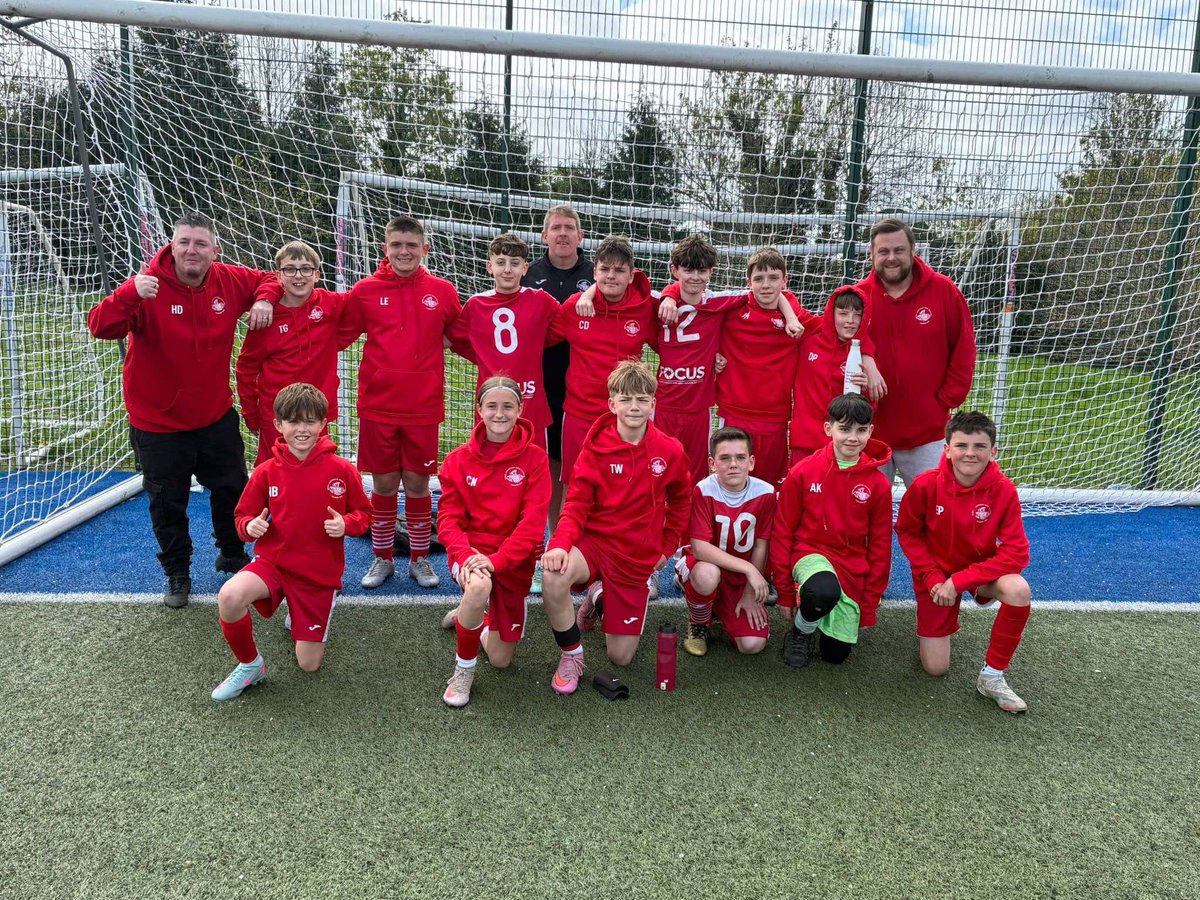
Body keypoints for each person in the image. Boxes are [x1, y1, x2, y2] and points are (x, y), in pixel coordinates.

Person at [87, 211, 276, 608]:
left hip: (213, 415)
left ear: (214, 250)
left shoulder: (228, 279)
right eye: (184, 242)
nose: (192, 250)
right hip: (157, 423)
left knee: (231, 488)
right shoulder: (146, 286)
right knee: (167, 500)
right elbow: (100, 327)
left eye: (201, 244)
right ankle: (178, 570)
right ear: (172, 246)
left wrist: (263, 299)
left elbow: (268, 278)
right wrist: (129, 293)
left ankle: (231, 551)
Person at [211, 383, 371, 701]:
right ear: (279, 426)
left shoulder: (341, 469)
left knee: (308, 665)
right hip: (273, 564)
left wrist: (346, 524)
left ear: (323, 424)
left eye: (310, 421)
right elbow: (242, 520)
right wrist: (250, 527)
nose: (302, 429)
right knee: (229, 596)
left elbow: (365, 515)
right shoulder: (266, 472)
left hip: (316, 573)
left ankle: (303, 609)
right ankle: (250, 666)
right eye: (294, 422)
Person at [540, 360, 691, 690]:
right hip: (596, 544)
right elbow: (576, 507)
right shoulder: (594, 449)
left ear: (653, 403)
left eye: (641, 399)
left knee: (620, 658)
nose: (633, 406)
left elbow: (681, 502)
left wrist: (666, 547)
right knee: (553, 575)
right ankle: (571, 655)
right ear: (612, 404)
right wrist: (561, 545)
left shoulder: (670, 451)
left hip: (636, 557)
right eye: (625, 399)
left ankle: (598, 596)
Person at [338, 215, 461, 591]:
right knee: (386, 483)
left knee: (419, 484)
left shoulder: (442, 291)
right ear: (385, 249)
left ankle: (420, 559)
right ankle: (383, 558)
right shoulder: (365, 290)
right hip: (378, 406)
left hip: (423, 407)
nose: (404, 252)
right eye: (397, 245)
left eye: (412, 245)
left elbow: (461, 334)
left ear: (425, 249)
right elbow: (335, 332)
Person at [894, 410, 1032, 713]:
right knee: (935, 668)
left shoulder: (1004, 489)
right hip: (935, 577)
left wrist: (959, 582)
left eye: (979, 446)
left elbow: (1018, 552)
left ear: (993, 452)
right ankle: (933, 626)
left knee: (1018, 589)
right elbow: (907, 532)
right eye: (961, 446)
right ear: (946, 449)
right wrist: (933, 578)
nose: (970, 453)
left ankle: (993, 677)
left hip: (978, 571)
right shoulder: (925, 485)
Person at [435, 376, 552, 707]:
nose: (499, 414)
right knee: (478, 588)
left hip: (511, 559)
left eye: (507, 406)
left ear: (520, 409)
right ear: (479, 411)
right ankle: (463, 671)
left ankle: (468, 617)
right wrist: (466, 555)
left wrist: (498, 560)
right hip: (470, 554)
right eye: (492, 406)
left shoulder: (535, 459)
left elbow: (532, 525)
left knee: (501, 660)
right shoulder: (457, 460)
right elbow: (448, 521)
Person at [653, 235, 801, 486]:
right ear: (674, 271)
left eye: (702, 271)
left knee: (697, 478)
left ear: (711, 272)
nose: (695, 277)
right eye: (688, 270)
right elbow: (630, 283)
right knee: (657, 473)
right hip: (663, 406)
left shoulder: (721, 302)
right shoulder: (657, 305)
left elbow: (769, 293)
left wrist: (790, 317)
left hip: (700, 410)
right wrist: (669, 294)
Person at [771, 394, 892, 669]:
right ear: (828, 429)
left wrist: (870, 603)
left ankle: (820, 616)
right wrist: (784, 593)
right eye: (844, 428)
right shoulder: (803, 472)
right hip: (810, 555)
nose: (852, 437)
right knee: (823, 591)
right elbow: (782, 532)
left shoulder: (878, 484)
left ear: (871, 431)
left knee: (834, 655)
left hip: (851, 565)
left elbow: (881, 546)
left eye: (861, 430)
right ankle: (801, 631)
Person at [856, 217, 976, 486]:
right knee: (865, 519)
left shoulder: (944, 291)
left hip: (927, 432)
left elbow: (964, 350)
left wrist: (945, 400)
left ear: (913, 250)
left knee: (935, 514)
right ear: (871, 255)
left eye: (898, 250)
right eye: (883, 251)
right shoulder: (858, 297)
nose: (891, 258)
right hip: (869, 433)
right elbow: (835, 341)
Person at [715, 249, 826, 489]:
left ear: (785, 281)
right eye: (759, 279)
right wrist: (712, 354)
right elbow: (697, 308)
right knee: (729, 482)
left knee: (768, 487)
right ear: (748, 282)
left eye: (774, 278)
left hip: (774, 419)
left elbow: (835, 329)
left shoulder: (796, 319)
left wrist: (866, 355)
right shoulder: (732, 308)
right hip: (733, 413)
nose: (766, 285)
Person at [238, 241, 348, 466]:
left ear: (317, 275)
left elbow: (369, 299)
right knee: (273, 477)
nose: (298, 275)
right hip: (276, 417)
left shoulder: (332, 305)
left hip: (316, 415)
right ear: (278, 276)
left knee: (316, 476)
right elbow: (246, 369)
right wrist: (252, 415)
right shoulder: (265, 318)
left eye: (306, 269)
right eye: (290, 269)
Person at [522, 205, 593, 540]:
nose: (563, 233)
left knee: (583, 470)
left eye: (569, 228)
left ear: (580, 236)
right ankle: (552, 540)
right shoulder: (527, 273)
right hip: (541, 385)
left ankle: (583, 541)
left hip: (587, 387)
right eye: (556, 227)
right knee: (550, 468)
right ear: (544, 235)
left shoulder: (598, 273)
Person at [676, 427, 775, 657]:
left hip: (739, 578)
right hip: (706, 565)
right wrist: (749, 568)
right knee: (707, 576)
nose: (733, 464)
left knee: (752, 646)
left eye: (740, 457)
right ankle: (699, 622)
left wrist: (750, 594)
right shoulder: (704, 489)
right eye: (725, 458)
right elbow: (700, 548)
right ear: (712, 463)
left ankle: (719, 606)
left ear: (751, 462)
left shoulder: (766, 493)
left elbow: (761, 545)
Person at [789, 285, 876, 464]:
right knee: (801, 491)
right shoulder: (807, 340)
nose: (850, 320)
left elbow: (871, 409)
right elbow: (781, 301)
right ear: (831, 314)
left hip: (844, 447)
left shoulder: (866, 358)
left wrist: (866, 390)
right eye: (843, 313)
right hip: (806, 441)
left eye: (857, 314)